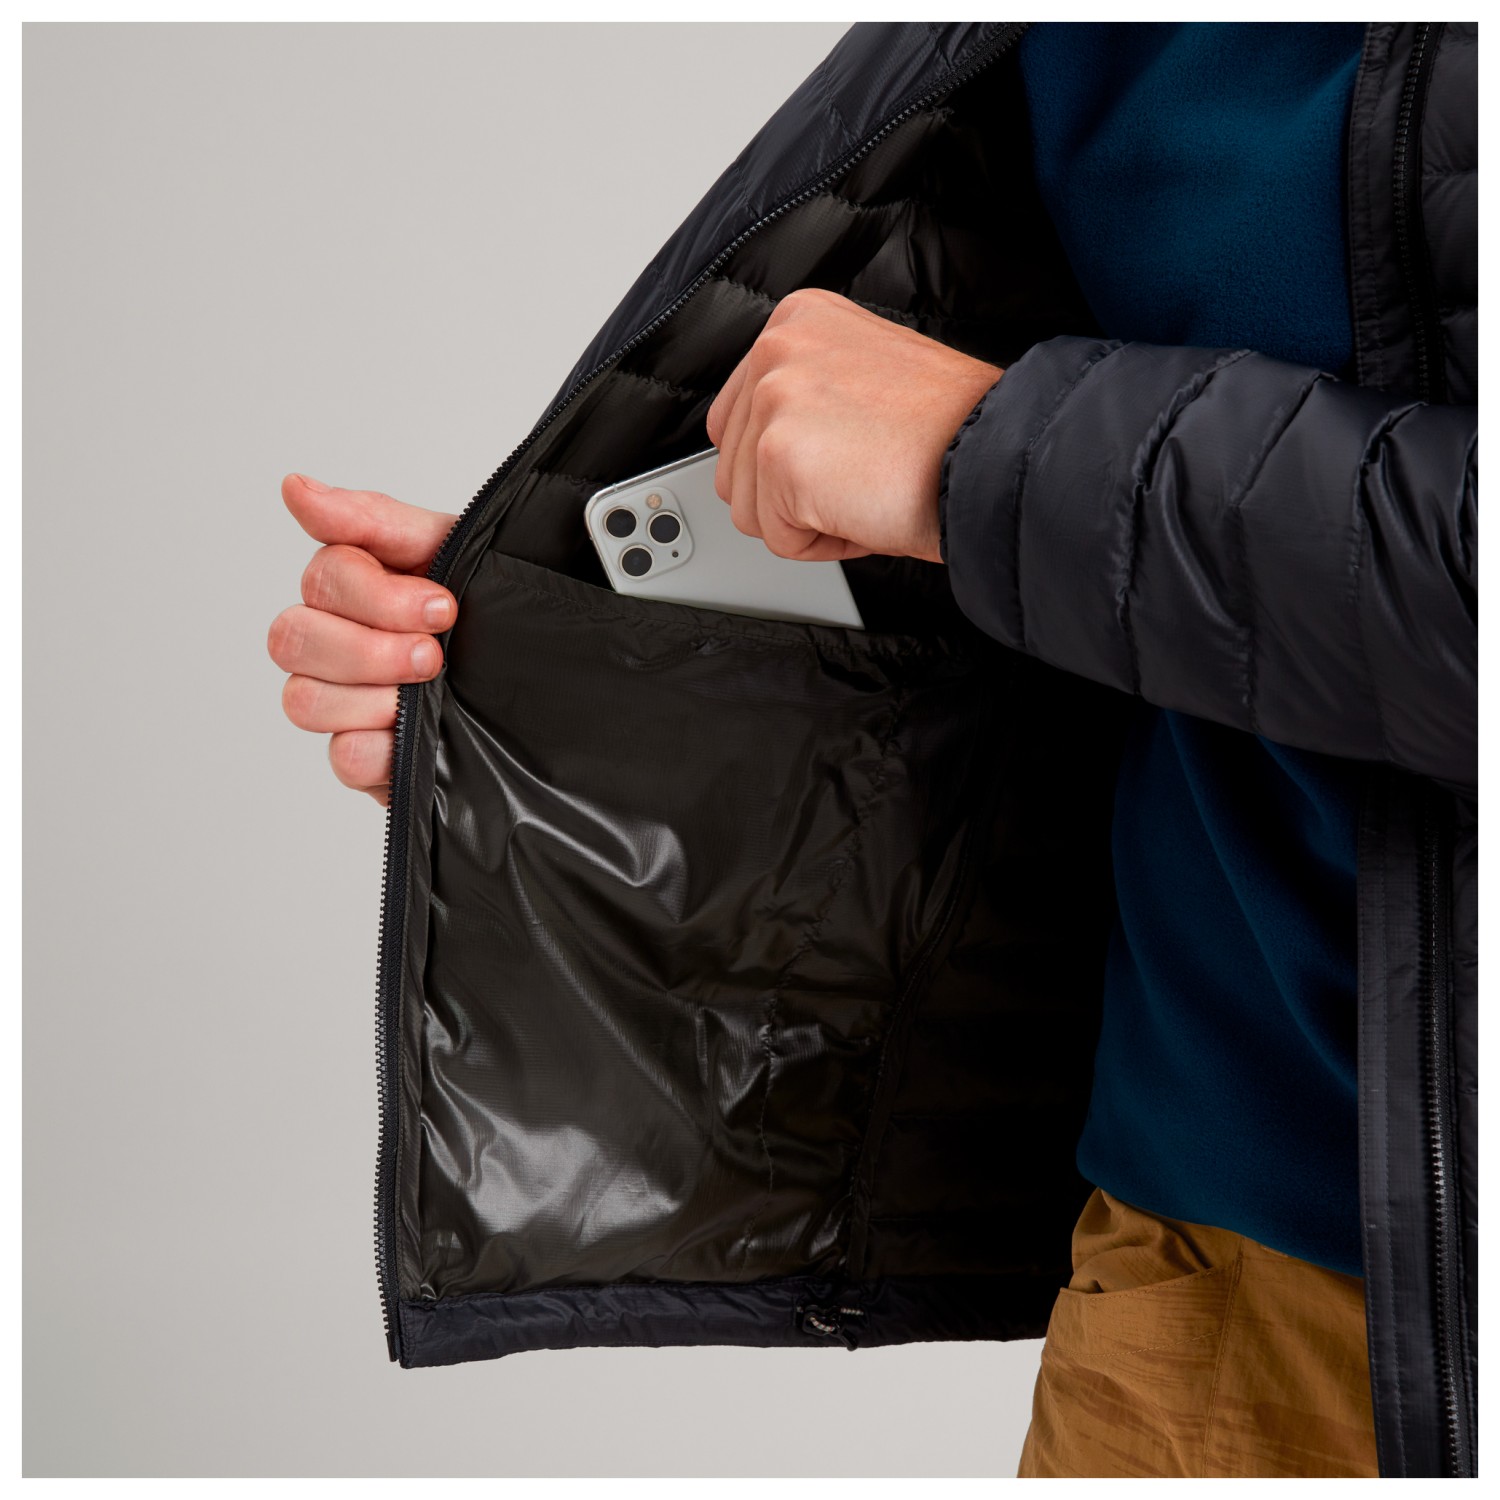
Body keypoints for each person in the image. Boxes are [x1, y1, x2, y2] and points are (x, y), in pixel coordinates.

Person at [267, 21, 1476, 1479]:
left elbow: (1017, 459)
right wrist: (598, 694)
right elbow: (1086, 582)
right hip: (1205, 1267)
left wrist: (991, 451)